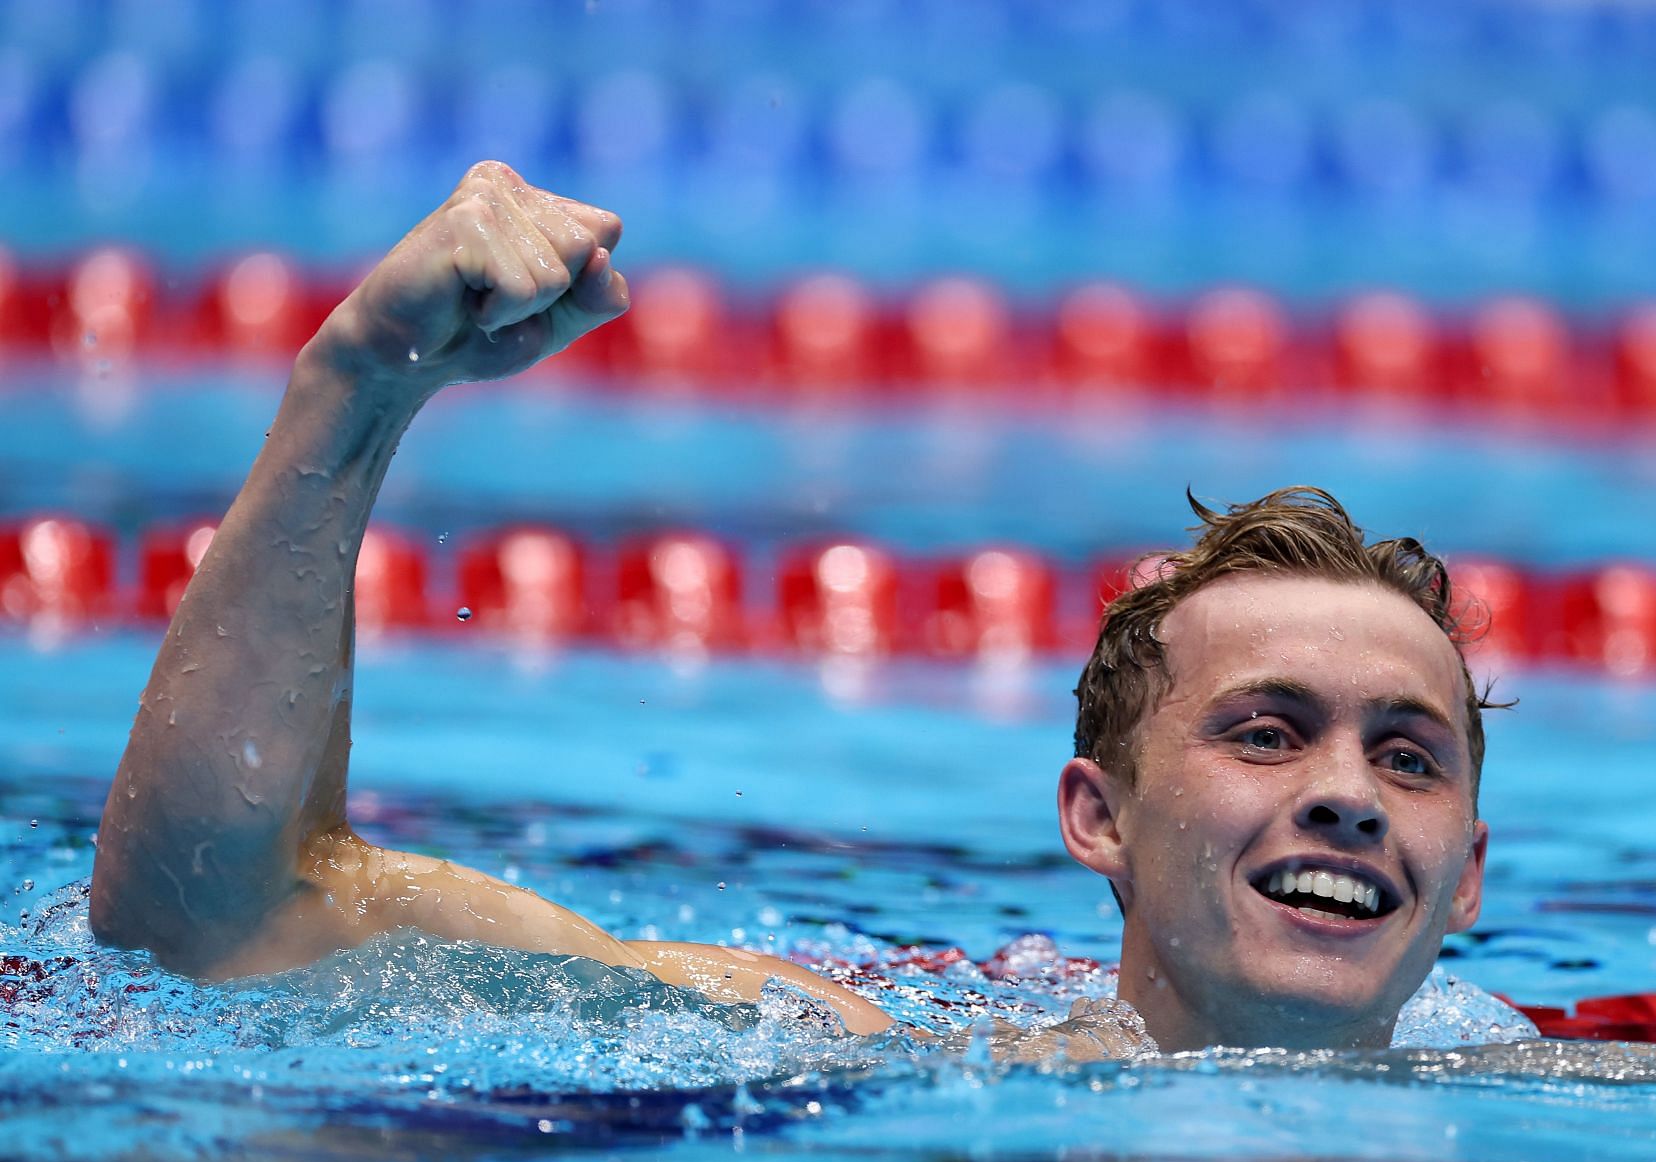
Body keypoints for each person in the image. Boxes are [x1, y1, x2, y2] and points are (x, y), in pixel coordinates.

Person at [89, 163, 1498, 1058]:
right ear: (1099, 816)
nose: (1351, 799)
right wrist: (360, 382)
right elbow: (219, 922)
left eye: (1409, 755)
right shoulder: (859, 1055)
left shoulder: (1633, 1090)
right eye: (1266, 732)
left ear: (1472, 871)